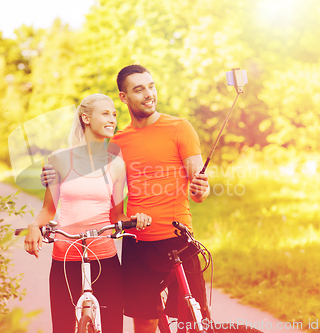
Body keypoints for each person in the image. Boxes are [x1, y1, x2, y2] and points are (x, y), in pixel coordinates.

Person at [42, 65, 211, 333]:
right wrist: (52, 175)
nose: (148, 94)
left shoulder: (180, 128)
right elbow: (87, 173)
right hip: (136, 243)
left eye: (151, 86)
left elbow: (199, 188)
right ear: (124, 97)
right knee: (143, 323)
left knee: (192, 320)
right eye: (139, 89)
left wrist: (201, 189)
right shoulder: (115, 143)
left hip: (177, 239)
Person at [25, 93, 151, 333]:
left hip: (105, 257)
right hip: (65, 257)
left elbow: (117, 217)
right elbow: (48, 210)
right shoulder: (58, 160)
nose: (112, 119)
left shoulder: (116, 164)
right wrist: (34, 226)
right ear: (85, 117)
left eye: (114, 114)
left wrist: (137, 219)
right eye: (105, 113)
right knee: (62, 328)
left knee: (113, 328)